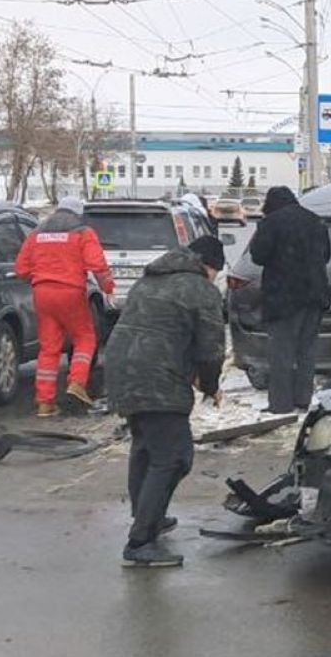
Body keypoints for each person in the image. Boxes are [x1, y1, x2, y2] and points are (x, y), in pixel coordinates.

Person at [104, 236, 226, 567]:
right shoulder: (201, 290)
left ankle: (148, 517)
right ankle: (141, 541)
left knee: (145, 447)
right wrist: (211, 385)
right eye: (216, 271)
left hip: (121, 368)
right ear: (209, 266)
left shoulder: (150, 280)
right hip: (157, 377)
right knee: (174, 457)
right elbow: (211, 349)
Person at [15, 197, 114, 417]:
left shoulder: (36, 234)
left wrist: (40, 277)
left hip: (42, 293)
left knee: (49, 348)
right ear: (77, 213)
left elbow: (21, 269)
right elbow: (97, 265)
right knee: (84, 338)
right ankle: (77, 383)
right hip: (71, 292)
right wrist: (107, 287)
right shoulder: (82, 232)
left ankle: (45, 402)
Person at [248, 185, 331, 414]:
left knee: (281, 353)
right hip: (314, 295)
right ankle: (302, 399)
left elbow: (258, 256)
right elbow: (326, 255)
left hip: (283, 297)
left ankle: (281, 404)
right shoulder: (315, 221)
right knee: (307, 350)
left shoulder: (271, 223)